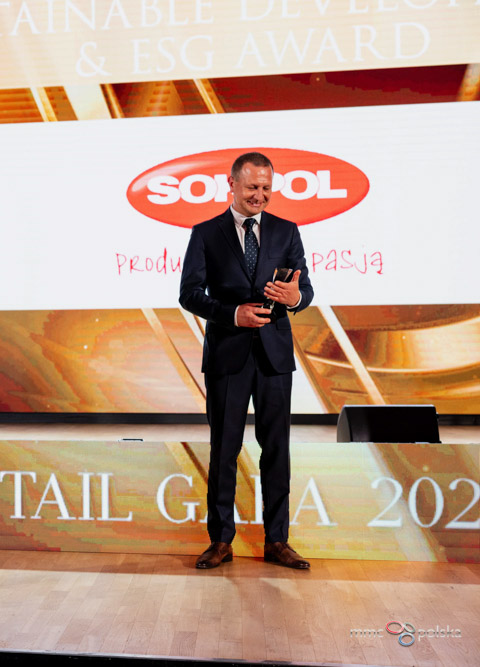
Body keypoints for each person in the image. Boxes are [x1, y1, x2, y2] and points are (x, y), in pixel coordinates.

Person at [179, 151, 314, 570]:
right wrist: (231, 314)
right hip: (227, 356)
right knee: (224, 450)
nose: (260, 195)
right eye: (253, 187)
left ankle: (277, 541)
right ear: (232, 184)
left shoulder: (287, 231)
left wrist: (296, 297)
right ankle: (220, 541)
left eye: (267, 188)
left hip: (274, 357)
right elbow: (189, 294)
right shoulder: (206, 233)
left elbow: (305, 290)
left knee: (277, 450)